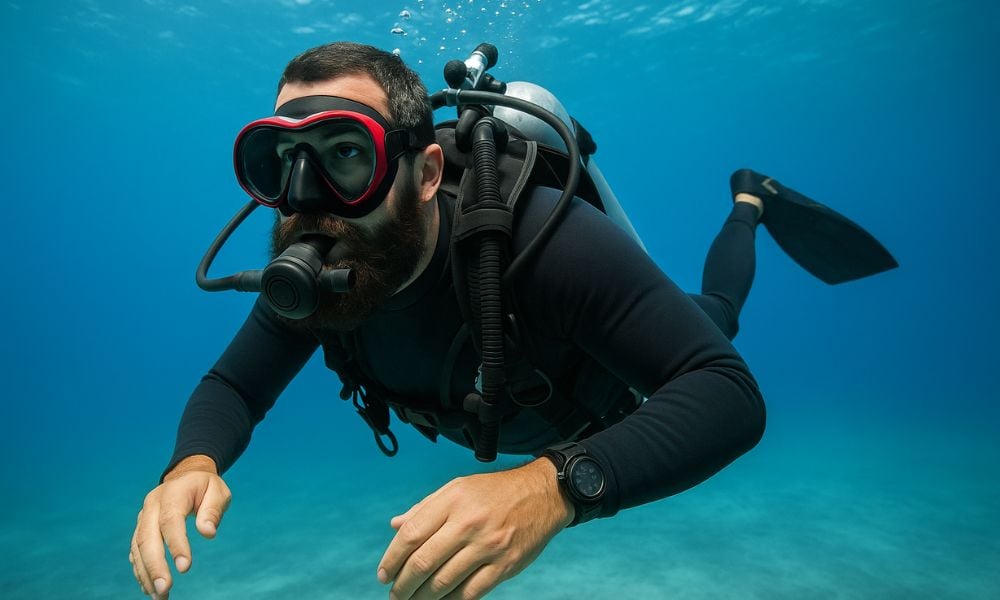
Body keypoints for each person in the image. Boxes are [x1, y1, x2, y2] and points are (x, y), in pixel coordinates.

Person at [128, 41, 894, 600]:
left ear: (426, 173)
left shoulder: (539, 241)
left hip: (610, 385)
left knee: (715, 317)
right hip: (526, 396)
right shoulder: (324, 265)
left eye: (345, 157)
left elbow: (729, 395)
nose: (307, 198)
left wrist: (554, 487)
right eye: (278, 162)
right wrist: (193, 464)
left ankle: (749, 200)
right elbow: (234, 383)